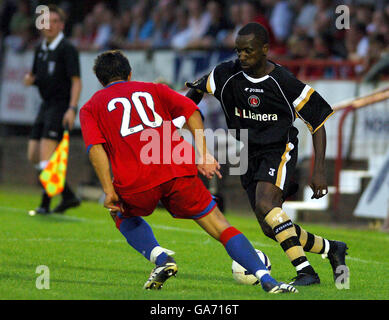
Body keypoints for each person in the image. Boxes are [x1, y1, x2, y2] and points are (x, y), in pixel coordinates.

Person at [79, 50, 297, 293]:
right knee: (218, 224)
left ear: (100, 81)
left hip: (135, 178)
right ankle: (266, 278)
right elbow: (191, 110)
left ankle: (161, 259)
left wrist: (109, 191)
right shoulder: (154, 89)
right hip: (176, 167)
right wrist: (203, 154)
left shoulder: (90, 107)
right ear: (129, 74)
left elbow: (95, 149)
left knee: (120, 213)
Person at [185, 22, 349, 286]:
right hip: (248, 150)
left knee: (266, 205)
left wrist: (319, 171)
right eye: (238, 51)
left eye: (248, 51)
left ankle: (307, 272)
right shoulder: (226, 74)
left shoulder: (284, 82)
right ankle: (332, 249)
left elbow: (317, 122)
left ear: (264, 49)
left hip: (280, 148)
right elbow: (195, 92)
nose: (242, 56)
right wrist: (180, 113)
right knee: (268, 225)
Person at [24, 4, 81, 214]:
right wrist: (30, 80)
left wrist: (72, 108)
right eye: (47, 22)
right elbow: (36, 76)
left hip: (60, 105)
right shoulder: (40, 49)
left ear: (62, 25)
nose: (50, 26)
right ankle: (68, 195)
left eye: (55, 21)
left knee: (45, 159)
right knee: (33, 156)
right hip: (45, 105)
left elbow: (76, 81)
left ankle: (45, 204)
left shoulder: (67, 49)